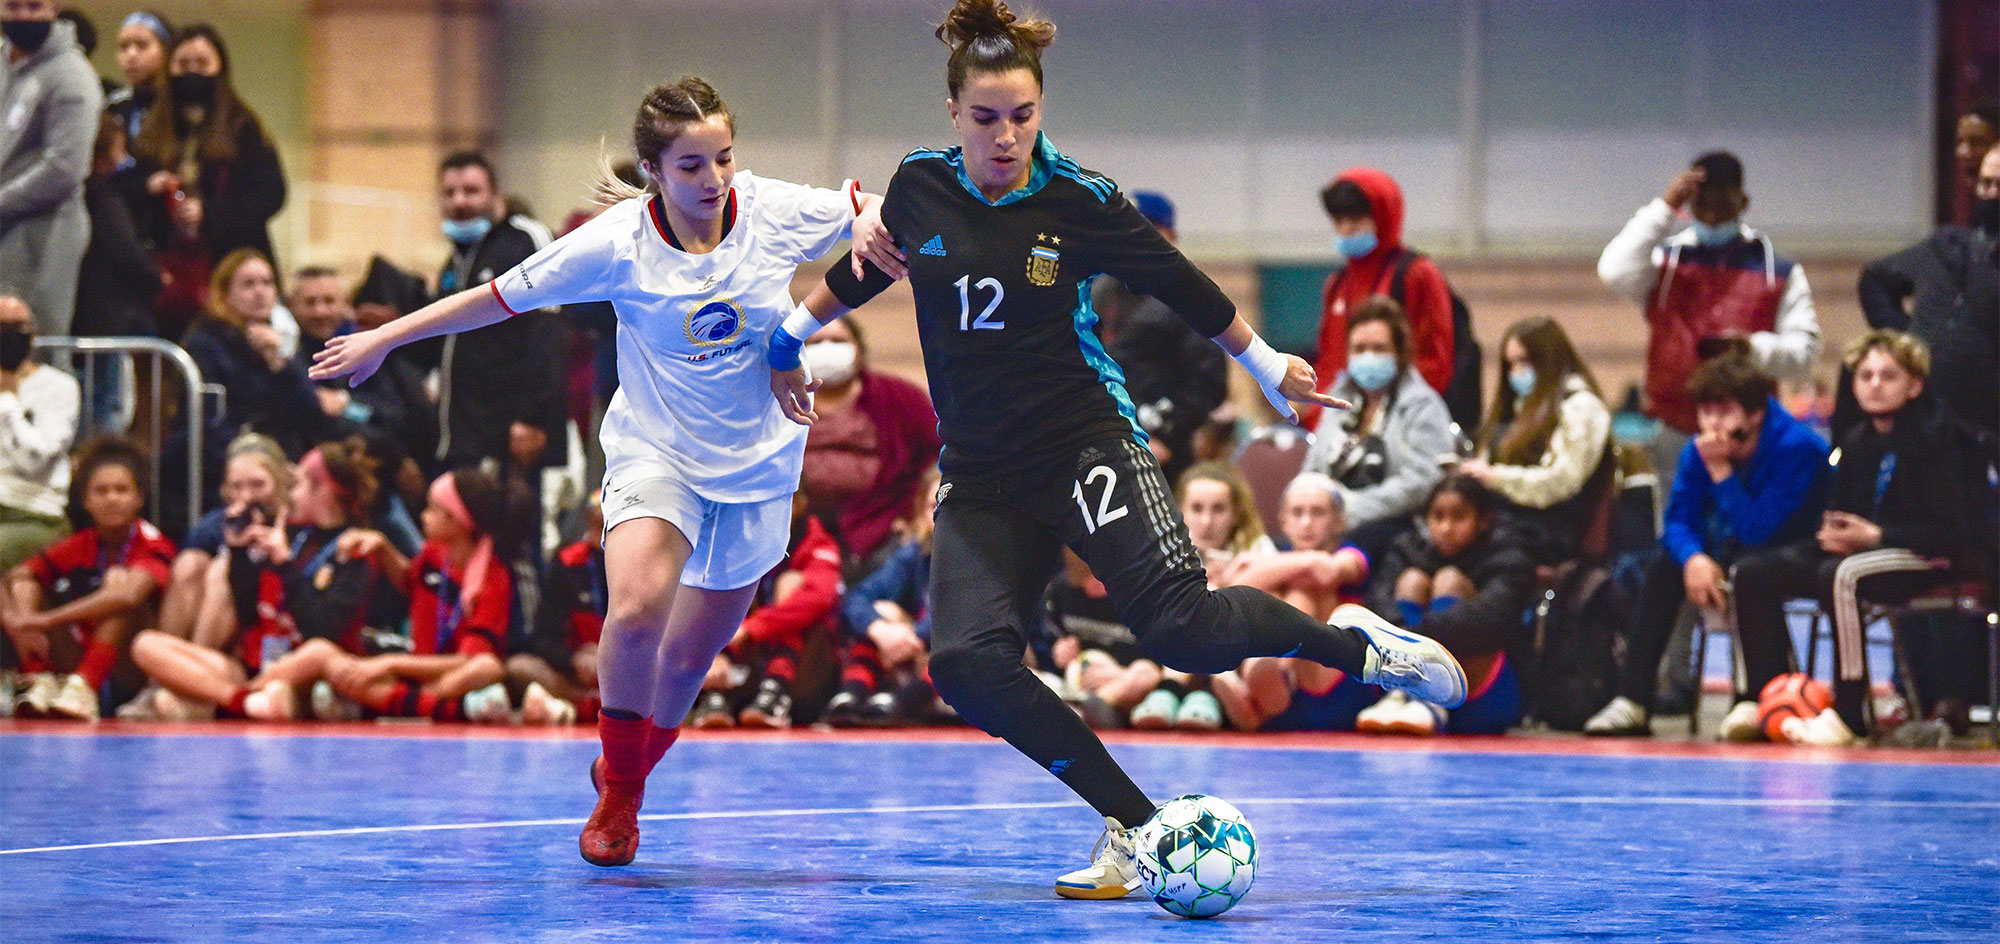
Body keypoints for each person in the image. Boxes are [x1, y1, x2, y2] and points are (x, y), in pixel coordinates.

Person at [775, 0, 1467, 899]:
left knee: (1186, 630)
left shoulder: (1082, 199)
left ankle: (1356, 646)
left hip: (1082, 441)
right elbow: (868, 268)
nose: (1006, 135)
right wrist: (785, 338)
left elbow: (1176, 282)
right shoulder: (919, 185)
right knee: (967, 667)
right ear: (954, 115)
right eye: (985, 117)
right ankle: (1136, 827)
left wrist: (1264, 366)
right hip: (983, 474)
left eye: (1023, 115)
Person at [310, 76, 901, 867]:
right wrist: (388, 339)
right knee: (636, 612)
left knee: (692, 657)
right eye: (691, 166)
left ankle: (624, 768)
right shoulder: (616, 240)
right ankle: (622, 792)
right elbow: (496, 297)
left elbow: (868, 209)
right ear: (654, 170)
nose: (714, 179)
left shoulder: (767, 209)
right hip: (655, 453)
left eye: (723, 158)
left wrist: (868, 224)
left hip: (759, 464)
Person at [1729, 332, 1990, 745]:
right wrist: (1835, 532)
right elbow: (1847, 511)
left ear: (1914, 385)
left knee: (1842, 574)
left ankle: (1849, 715)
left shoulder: (1944, 440)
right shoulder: (1856, 441)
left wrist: (1878, 535)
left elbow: (1956, 532)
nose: (1874, 384)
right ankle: (1764, 696)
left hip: (1930, 555)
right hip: (1870, 549)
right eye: (1865, 376)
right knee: (1752, 572)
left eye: (1888, 376)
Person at [1583, 356, 1831, 737]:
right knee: (1665, 563)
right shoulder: (1697, 451)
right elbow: (1679, 521)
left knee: (1752, 569)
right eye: (1706, 410)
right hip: (1735, 548)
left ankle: (1755, 698)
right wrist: (1694, 558)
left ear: (1755, 414)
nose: (1712, 422)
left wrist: (1720, 472)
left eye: (1724, 410)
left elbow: (1757, 529)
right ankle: (1632, 699)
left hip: (1798, 552)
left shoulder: (1796, 447)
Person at [1597, 151, 1820, 482]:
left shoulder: (1779, 271)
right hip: (1673, 428)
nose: (1713, 216)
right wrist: (1664, 207)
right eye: (1702, 205)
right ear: (1689, 205)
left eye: (1723, 204)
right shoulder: (1665, 264)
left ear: (1743, 202)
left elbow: (1804, 356)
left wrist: (1751, 350)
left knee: (1745, 527)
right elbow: (1613, 269)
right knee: (1676, 526)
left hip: (1749, 437)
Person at [127, 438, 387, 721]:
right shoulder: (290, 532)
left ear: (324, 490)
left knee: (313, 657)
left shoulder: (354, 549)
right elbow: (249, 613)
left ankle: (225, 700)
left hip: (303, 674)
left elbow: (321, 630)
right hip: (256, 665)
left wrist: (285, 566)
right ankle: (242, 700)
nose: (292, 493)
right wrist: (239, 552)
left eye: (297, 484)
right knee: (145, 644)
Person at [259, 467, 513, 724]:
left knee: (485, 668)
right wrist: (383, 547)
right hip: (417, 674)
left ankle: (391, 704)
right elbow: (410, 583)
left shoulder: (493, 579)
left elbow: (466, 661)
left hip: (451, 678)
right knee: (321, 653)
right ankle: (440, 707)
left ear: (456, 521)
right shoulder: (434, 555)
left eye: (432, 509)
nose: (423, 516)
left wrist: (391, 664)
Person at [2, 438, 175, 721]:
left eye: (121, 490)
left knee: (118, 585)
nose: (111, 499)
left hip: (131, 668)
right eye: (101, 491)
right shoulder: (80, 543)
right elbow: (18, 575)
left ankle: (84, 686)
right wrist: (16, 620)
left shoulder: (155, 544)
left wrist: (43, 621)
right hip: (77, 656)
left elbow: (128, 596)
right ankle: (37, 681)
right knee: (25, 586)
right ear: (86, 501)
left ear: (139, 498)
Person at [131, 23, 286, 336]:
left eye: (202, 64)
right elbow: (126, 190)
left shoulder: (244, 127)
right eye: (183, 64)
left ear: (220, 68)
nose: (192, 72)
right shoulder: (152, 131)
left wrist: (210, 214)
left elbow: (271, 193)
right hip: (168, 274)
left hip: (230, 268)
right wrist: (150, 187)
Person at [1355, 475, 1536, 737]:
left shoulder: (1509, 556)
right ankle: (1404, 692)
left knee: (1448, 580)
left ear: (1483, 521)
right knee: (1411, 580)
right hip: (1403, 703)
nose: (1446, 528)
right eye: (1437, 517)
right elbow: (1377, 600)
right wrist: (1405, 631)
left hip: (1483, 695)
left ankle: (1430, 696)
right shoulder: (1407, 548)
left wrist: (1408, 636)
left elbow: (1490, 620)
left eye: (1459, 518)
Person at [428, 151, 567, 478]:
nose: (459, 201)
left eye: (471, 191)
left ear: (495, 195)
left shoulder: (525, 242)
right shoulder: (454, 264)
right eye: (449, 192)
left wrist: (532, 417)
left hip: (514, 438)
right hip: (464, 437)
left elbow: (548, 334)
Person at [1208, 472, 1371, 733]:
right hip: (1288, 704)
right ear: (1283, 521)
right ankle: (1260, 689)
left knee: (1304, 589)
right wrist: (1299, 563)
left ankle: (1271, 678)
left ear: (1339, 521)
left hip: (1339, 690)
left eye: (1318, 513)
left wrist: (1263, 565)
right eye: (1297, 513)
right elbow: (1237, 587)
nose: (1306, 523)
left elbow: (1326, 571)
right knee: (1266, 598)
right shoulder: (1277, 555)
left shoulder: (1352, 553)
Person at [1857, 144, 1999, 439]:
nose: (1992, 193)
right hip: (1922, 417)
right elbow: (1875, 278)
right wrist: (1905, 336)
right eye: (1986, 183)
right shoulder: (1946, 245)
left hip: (1987, 423)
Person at [1310, 167, 1467, 430]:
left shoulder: (1417, 274)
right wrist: (1320, 417)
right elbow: (1329, 361)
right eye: (1338, 221)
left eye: (1356, 220)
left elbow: (1437, 361)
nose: (1346, 229)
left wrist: (1390, 414)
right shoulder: (1336, 284)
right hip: (1345, 422)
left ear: (1383, 217)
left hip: (1404, 420)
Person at [1088, 190, 1227, 485]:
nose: (1134, 236)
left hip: (1163, 452)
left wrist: (1163, 433)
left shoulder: (1189, 294)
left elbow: (1209, 382)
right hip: (1101, 440)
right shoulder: (1100, 290)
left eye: (1146, 227)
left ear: (1171, 234)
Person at [1301, 297, 1454, 562]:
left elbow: (1423, 481)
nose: (1368, 356)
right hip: (1330, 522)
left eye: (1379, 348)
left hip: (1397, 525)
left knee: (1338, 551)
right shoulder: (1339, 396)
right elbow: (1313, 467)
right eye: (1359, 348)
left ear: (1399, 353)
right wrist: (1306, 504)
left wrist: (1349, 508)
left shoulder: (1423, 404)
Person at [1126, 462, 1277, 731]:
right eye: (1197, 509)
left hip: (1237, 665)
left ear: (1236, 514)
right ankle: (1173, 691)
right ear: (1178, 511)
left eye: (1218, 509)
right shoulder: (1161, 548)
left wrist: (1232, 575)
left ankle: (1196, 692)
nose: (1207, 522)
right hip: (1168, 656)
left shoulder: (1257, 547)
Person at [1455, 317, 1613, 562]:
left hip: (1549, 529)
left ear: (1549, 359)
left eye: (1524, 361)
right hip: (1503, 522)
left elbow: (1562, 482)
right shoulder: (1514, 408)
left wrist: (1495, 478)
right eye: (1511, 365)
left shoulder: (1581, 407)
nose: (1517, 372)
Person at [796, 317, 941, 569]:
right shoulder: (780, 399)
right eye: (816, 342)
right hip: (797, 531)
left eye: (838, 341)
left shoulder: (900, 398)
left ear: (859, 350)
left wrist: (914, 514)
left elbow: (936, 459)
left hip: (882, 532)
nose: (827, 348)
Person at [689, 493, 843, 730]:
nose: (767, 510)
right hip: (741, 664)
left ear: (800, 504)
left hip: (804, 673)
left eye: (779, 499)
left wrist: (751, 629)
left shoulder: (817, 541)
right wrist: (714, 650)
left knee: (791, 584)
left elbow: (818, 598)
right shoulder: (731, 536)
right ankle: (714, 694)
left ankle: (775, 691)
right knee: (724, 592)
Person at [0, 0, 102, 336]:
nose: (24, 16)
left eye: (34, 6)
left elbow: (64, 169)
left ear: (54, 9)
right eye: (12, 6)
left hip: (45, 233)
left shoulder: (72, 76)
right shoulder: (3, 64)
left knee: (34, 349)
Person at [179, 249, 323, 457]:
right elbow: (208, 422)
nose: (260, 292)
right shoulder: (205, 343)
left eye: (267, 283)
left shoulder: (282, 339)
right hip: (229, 454)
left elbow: (311, 413)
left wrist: (281, 364)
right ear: (225, 294)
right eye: (248, 284)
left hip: (283, 456)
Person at [155, 433, 290, 644]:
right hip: (224, 627)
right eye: (236, 487)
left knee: (221, 570)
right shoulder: (217, 523)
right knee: (190, 562)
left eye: (258, 485)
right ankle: (168, 663)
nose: (246, 497)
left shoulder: (297, 522)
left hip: (269, 629)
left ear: (280, 481)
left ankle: (192, 666)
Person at [74, 111, 163, 432]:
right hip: (107, 320)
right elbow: (127, 251)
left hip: (88, 316)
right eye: (119, 149)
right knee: (106, 406)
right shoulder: (102, 195)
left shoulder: (79, 194)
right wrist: (156, 279)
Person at [829, 474, 940, 727]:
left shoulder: (981, 557)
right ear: (921, 512)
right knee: (882, 612)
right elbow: (857, 597)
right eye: (934, 507)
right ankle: (853, 693)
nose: (939, 518)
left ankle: (905, 702)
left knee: (965, 643)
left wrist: (914, 636)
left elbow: (969, 616)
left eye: (949, 506)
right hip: (920, 653)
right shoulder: (915, 553)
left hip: (991, 659)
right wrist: (881, 631)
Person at [508, 490, 606, 726]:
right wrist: (574, 659)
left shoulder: (650, 566)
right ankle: (593, 706)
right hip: (578, 679)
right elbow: (542, 638)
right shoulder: (567, 564)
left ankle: (575, 710)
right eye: (598, 526)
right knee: (519, 666)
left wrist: (610, 658)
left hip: (633, 676)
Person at [0, 295, 79, 574]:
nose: (7, 337)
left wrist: (7, 400)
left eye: (16, 328)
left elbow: (34, 460)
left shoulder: (59, 388)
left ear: (33, 335)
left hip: (32, 514)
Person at [106, 11, 172, 144]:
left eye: (142, 45)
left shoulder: (179, 105)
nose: (131, 55)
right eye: (123, 47)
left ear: (166, 51)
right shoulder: (113, 107)